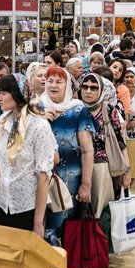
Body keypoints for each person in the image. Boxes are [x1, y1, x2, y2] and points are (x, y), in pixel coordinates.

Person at [0, 75, 56, 236]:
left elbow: (44, 177)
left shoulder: (39, 127)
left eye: (3, 93)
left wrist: (38, 222)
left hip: (27, 207)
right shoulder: (2, 122)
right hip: (1, 204)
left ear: (17, 95)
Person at [41, 67, 94, 232]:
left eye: (59, 82)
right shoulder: (36, 107)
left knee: (66, 228)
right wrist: (40, 119)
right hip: (40, 179)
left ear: (68, 86)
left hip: (70, 180)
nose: (53, 85)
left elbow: (87, 151)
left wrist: (86, 184)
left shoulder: (77, 111)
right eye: (50, 81)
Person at [80, 73, 128, 215]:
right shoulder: (74, 109)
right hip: (77, 167)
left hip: (100, 169)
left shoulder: (108, 110)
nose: (88, 91)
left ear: (101, 90)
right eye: (85, 87)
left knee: (99, 212)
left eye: (94, 88)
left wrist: (127, 171)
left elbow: (120, 142)